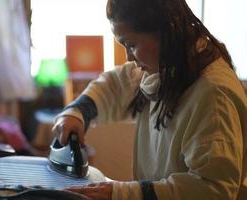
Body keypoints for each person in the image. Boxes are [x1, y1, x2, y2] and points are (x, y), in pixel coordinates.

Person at [51, 0, 247, 199]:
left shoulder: (213, 94)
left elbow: (213, 189)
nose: (128, 57)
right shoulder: (168, 66)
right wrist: (77, 113)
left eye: (131, 44)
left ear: (165, 31)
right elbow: (115, 85)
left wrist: (122, 194)